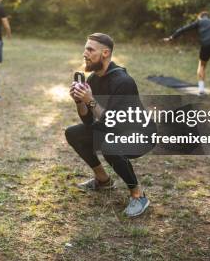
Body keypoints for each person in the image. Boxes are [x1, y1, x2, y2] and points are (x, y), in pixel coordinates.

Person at [65, 33, 154, 218]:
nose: (85, 53)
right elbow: (88, 122)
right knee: (73, 133)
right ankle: (103, 181)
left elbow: (114, 123)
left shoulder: (123, 81)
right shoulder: (92, 80)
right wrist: (79, 101)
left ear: (105, 53)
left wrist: (90, 101)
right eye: (85, 49)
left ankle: (138, 195)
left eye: (90, 50)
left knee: (108, 143)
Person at [163, 11, 210, 103]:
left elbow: (184, 29)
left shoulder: (200, 21)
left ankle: (201, 91)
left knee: (201, 66)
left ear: (200, 17)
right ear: (208, 17)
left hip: (207, 44)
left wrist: (172, 37)